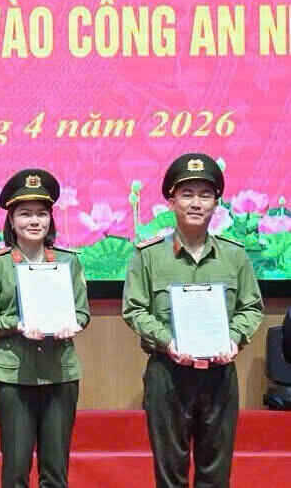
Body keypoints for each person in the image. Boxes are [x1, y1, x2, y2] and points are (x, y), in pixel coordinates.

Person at [123, 153, 263, 488]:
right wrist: (168, 342)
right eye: (187, 194)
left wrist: (234, 338)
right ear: (171, 201)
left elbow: (252, 307)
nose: (196, 203)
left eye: (205, 194)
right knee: (169, 474)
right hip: (167, 374)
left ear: (217, 202)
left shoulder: (235, 255)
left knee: (215, 474)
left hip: (219, 375)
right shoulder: (148, 255)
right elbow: (134, 309)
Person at [0, 169, 88, 488]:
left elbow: (82, 313)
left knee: (55, 470)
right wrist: (17, 325)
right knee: (15, 469)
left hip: (60, 373)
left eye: (42, 213)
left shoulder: (69, 262)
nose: (34, 221)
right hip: (15, 376)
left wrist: (72, 325)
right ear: (11, 221)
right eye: (25, 214)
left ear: (51, 219)